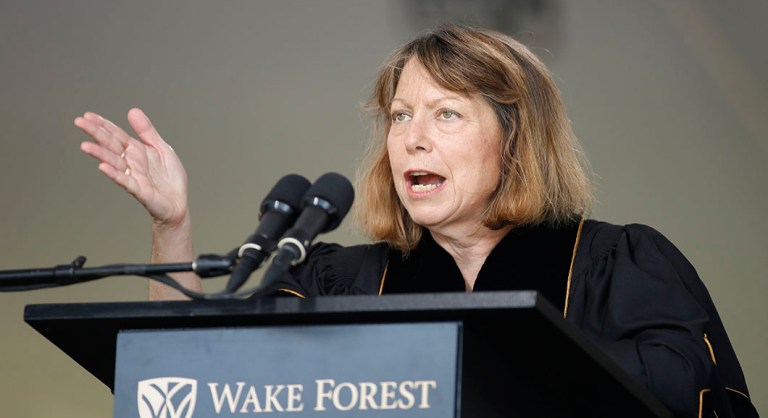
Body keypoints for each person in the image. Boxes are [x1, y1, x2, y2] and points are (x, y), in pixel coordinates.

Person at [75, 23, 758, 417]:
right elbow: (194, 385)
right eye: (401, 115)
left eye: (447, 113)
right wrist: (173, 226)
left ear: (516, 140)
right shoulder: (340, 277)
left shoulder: (617, 267)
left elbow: (680, 399)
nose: (412, 137)